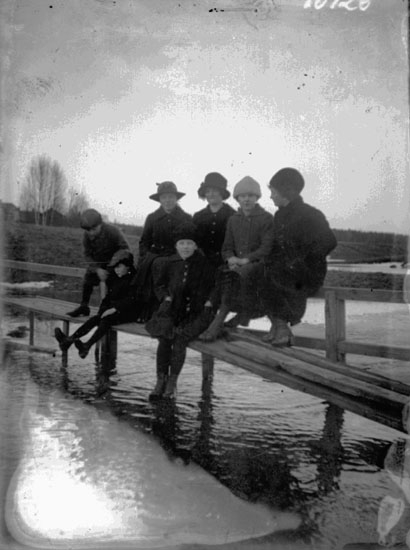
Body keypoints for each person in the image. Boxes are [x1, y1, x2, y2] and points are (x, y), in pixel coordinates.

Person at [261, 167, 337, 346]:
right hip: (285, 272)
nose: (271, 196)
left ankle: (281, 328)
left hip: (307, 274)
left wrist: (300, 261)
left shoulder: (311, 214)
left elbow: (329, 241)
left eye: (273, 192)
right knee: (258, 274)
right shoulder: (279, 215)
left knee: (273, 278)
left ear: (287, 191)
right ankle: (278, 325)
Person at [145, 223, 216, 400]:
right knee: (164, 338)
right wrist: (166, 297)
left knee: (180, 339)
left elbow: (213, 288)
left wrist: (208, 302)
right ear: (176, 246)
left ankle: (172, 382)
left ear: (195, 246)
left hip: (196, 313)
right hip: (172, 310)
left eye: (189, 243)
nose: (185, 247)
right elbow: (159, 285)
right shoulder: (169, 263)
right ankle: (160, 380)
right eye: (182, 243)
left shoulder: (204, 265)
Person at [199, 176, 274, 341]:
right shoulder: (233, 219)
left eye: (250, 196)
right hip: (237, 266)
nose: (246, 199)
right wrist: (230, 259)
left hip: (258, 265)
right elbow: (226, 247)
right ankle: (227, 320)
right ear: (237, 198)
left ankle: (218, 323)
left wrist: (246, 260)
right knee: (223, 274)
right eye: (242, 196)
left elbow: (266, 247)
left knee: (235, 277)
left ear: (257, 197)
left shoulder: (266, 218)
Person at [55, 249, 137, 358]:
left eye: (119, 267)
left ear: (128, 266)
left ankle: (87, 345)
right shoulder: (117, 278)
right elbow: (108, 297)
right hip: (114, 311)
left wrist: (113, 309)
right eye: (115, 268)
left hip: (129, 312)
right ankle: (70, 340)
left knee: (106, 319)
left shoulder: (134, 279)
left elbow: (132, 300)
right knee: (97, 318)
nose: (116, 270)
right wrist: (102, 310)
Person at [132, 181, 192, 322]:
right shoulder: (152, 218)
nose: (167, 200)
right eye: (164, 197)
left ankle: (171, 313)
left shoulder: (186, 218)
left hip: (178, 257)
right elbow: (144, 242)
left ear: (176, 198)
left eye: (171, 197)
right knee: (152, 268)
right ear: (159, 199)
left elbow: (190, 241)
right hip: (155, 256)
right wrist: (145, 256)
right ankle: (148, 311)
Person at [66, 208, 129, 317]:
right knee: (88, 278)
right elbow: (87, 255)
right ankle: (84, 306)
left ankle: (110, 309)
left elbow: (125, 249)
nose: (91, 233)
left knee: (114, 287)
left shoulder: (113, 231)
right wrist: (97, 269)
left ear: (100, 224)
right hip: (99, 264)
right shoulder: (86, 236)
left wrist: (115, 264)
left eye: (94, 229)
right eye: (88, 230)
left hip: (115, 264)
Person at [192, 172, 235, 269]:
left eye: (215, 191)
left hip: (226, 265)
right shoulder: (198, 217)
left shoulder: (233, 215)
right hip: (201, 265)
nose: (211, 194)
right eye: (208, 191)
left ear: (222, 193)